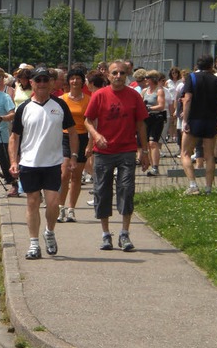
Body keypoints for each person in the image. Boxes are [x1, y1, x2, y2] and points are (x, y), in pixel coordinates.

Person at [8, 67, 78, 259]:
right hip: (29, 162)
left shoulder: (60, 106)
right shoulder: (24, 108)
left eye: (45, 80)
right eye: (37, 80)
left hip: (53, 163)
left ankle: (49, 232)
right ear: (31, 83)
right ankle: (33, 243)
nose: (41, 84)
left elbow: (72, 132)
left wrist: (72, 156)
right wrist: (14, 161)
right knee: (32, 202)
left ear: (51, 83)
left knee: (53, 203)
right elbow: (14, 137)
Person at [84, 60, 150, 252]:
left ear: (127, 74)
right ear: (108, 75)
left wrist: (144, 151)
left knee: (126, 190)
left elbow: (141, 124)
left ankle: (124, 233)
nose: (118, 76)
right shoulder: (99, 95)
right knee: (102, 191)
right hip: (104, 152)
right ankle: (105, 234)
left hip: (127, 151)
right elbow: (88, 120)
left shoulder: (134, 96)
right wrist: (96, 136)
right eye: (115, 73)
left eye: (122, 73)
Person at [181, 55, 217, 195]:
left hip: (194, 120)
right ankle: (208, 188)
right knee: (209, 156)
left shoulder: (192, 78)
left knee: (185, 153)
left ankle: (193, 185)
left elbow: (187, 99)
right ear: (211, 65)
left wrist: (185, 120)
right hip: (211, 121)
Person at [58, 69, 91, 223]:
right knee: (64, 174)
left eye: (78, 78)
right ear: (68, 81)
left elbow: (92, 122)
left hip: (82, 137)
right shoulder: (62, 99)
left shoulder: (88, 100)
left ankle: (71, 209)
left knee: (77, 176)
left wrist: (91, 143)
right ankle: (60, 208)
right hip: (65, 137)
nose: (75, 81)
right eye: (72, 79)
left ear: (82, 81)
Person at [140, 70, 166, 177]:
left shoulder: (159, 91)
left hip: (157, 118)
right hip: (146, 119)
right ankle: (148, 163)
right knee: (145, 143)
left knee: (153, 143)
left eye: (147, 77)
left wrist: (148, 108)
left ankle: (155, 167)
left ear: (153, 79)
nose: (145, 79)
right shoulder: (144, 91)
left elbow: (161, 106)